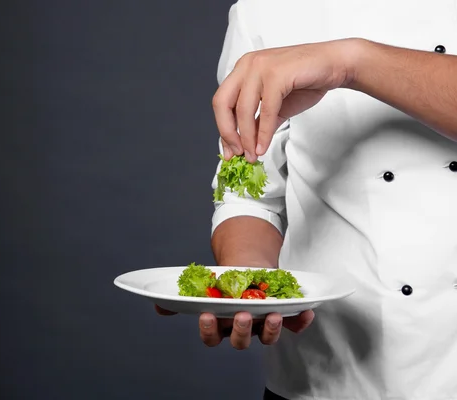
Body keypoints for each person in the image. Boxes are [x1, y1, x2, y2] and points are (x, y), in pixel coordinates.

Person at [156, 1, 457, 399]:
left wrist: (350, 63)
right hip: (326, 373)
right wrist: (252, 290)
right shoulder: (263, 10)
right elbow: (250, 196)